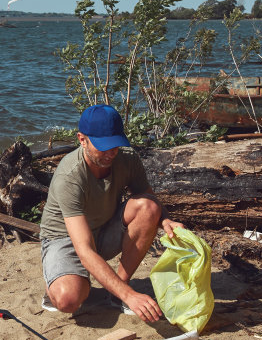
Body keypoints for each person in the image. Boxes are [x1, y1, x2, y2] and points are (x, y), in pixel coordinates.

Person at [39, 104, 185, 323]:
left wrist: (165, 220)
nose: (111, 153)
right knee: (68, 300)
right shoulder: (69, 175)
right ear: (82, 139)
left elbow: (148, 197)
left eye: (115, 144)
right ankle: (61, 283)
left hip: (104, 229)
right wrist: (132, 297)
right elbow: (84, 249)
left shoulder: (127, 159)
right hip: (66, 239)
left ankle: (117, 291)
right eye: (103, 146)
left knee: (148, 207)